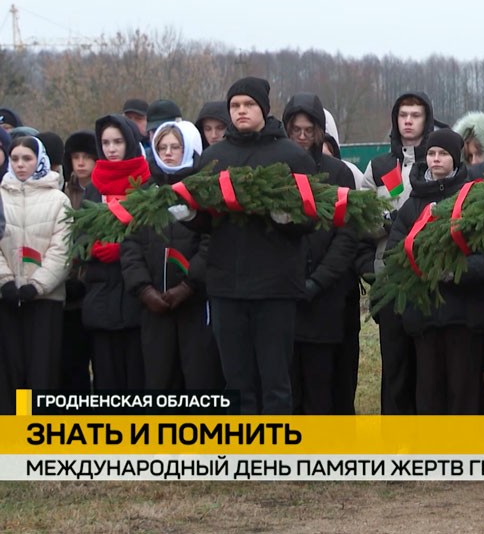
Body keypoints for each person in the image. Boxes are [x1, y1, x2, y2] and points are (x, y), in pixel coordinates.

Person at [170, 77, 317, 414]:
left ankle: (276, 455)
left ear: (263, 109)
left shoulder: (291, 156)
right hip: (226, 286)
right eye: (235, 105)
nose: (241, 111)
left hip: (275, 287)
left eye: (248, 105)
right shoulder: (214, 157)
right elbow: (206, 223)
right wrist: (189, 214)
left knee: (275, 381)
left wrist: (285, 216)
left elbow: (312, 217)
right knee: (237, 380)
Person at [387, 129, 484, 414]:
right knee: (429, 392)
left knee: (464, 392)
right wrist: (420, 266)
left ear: (456, 158)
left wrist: (457, 271)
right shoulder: (412, 204)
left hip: (464, 315)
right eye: (432, 154)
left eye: (443, 154)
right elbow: (394, 252)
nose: (436, 160)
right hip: (424, 317)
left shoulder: (472, 199)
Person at [121, 121, 222, 392]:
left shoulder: (201, 189)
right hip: (154, 305)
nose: (167, 153)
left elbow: (211, 241)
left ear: (188, 148)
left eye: (175, 147)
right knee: (159, 384)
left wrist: (189, 286)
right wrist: (144, 290)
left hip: (195, 305)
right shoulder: (144, 192)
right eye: (161, 147)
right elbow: (130, 245)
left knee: (200, 382)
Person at [281, 92, 358, 415]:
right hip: (282, 297)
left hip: (325, 300)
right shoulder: (276, 171)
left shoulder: (337, 173)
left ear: (319, 133)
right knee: (288, 391)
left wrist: (317, 282)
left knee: (321, 391)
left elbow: (346, 237)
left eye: (308, 130)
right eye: (295, 130)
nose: (301, 137)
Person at [362, 91, 436, 415]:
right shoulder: (379, 166)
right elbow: (360, 217)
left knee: (426, 367)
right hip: (388, 277)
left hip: (428, 278)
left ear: (426, 119)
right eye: (403, 115)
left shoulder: (437, 160)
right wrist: (385, 224)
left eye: (415, 115)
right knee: (394, 367)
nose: (408, 121)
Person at [0, 137, 71, 406]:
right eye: (15, 159)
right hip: (5, 299)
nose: (20, 165)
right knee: (8, 374)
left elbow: (61, 250)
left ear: (39, 160)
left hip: (45, 302)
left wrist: (37, 285)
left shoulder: (58, 200)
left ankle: (37, 439)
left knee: (41, 374)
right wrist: (5, 281)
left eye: (27, 159)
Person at [83, 115, 150, 391]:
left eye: (118, 142)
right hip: (101, 293)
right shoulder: (94, 186)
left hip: (137, 294)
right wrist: (93, 245)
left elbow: (153, 235)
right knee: (106, 381)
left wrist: (124, 247)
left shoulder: (146, 184)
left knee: (136, 378)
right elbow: (78, 231)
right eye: (106, 142)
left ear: (131, 143)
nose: (111, 148)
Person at [61, 130, 99, 393]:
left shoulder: (102, 191)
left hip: (95, 284)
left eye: (87, 156)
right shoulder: (62, 192)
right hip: (65, 286)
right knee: (71, 361)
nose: (82, 163)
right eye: (76, 157)